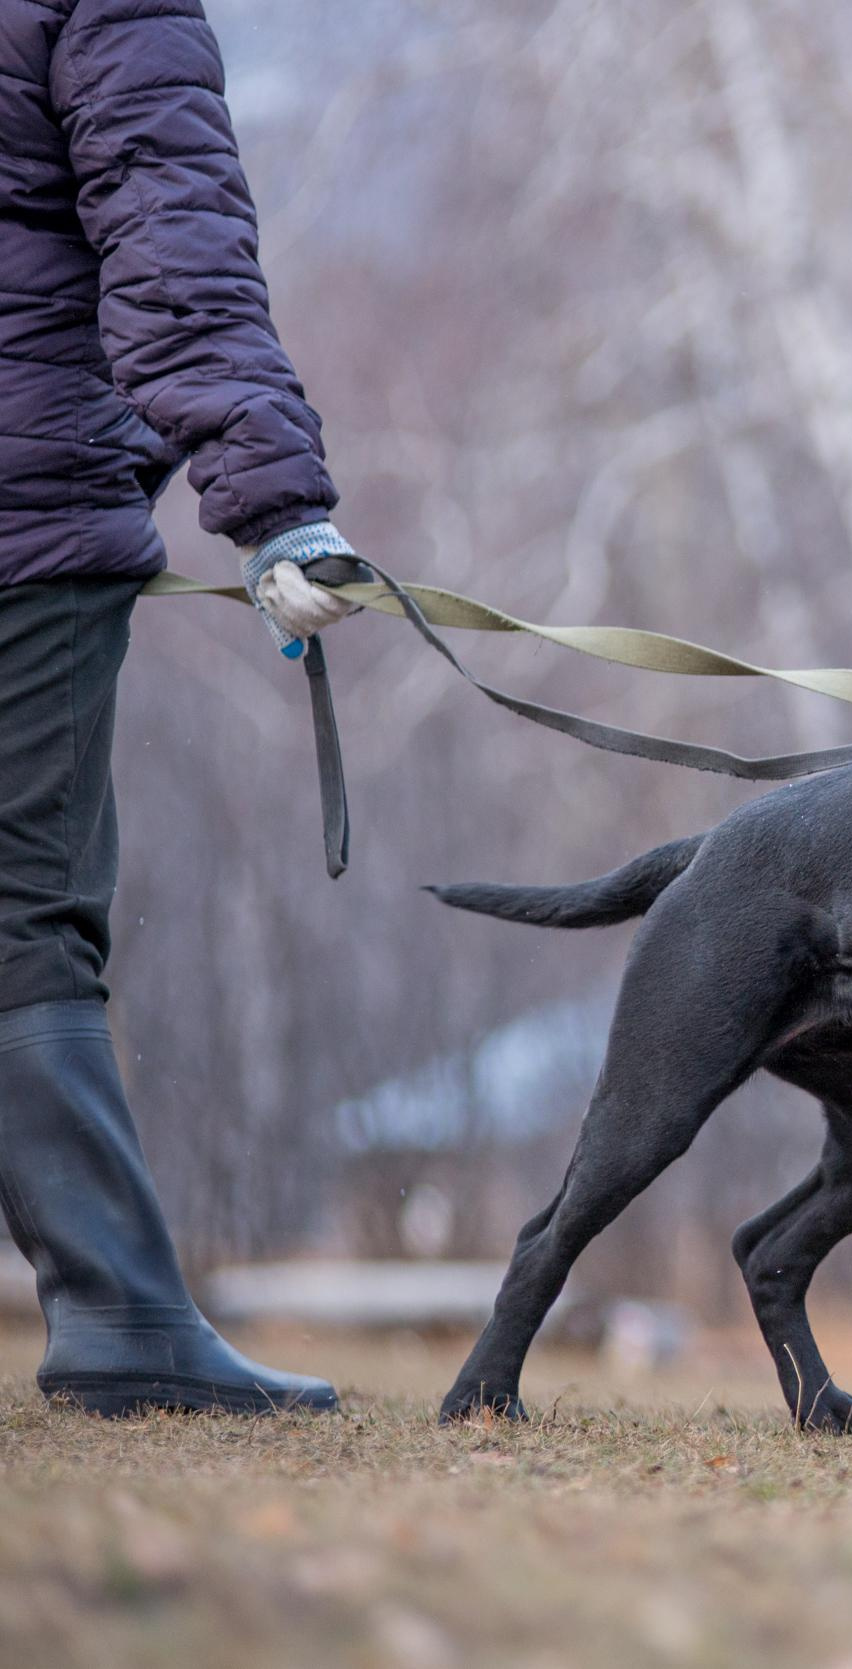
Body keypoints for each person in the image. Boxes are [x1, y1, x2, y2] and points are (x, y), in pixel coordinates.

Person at [0, 2, 361, 1415]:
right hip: (24, 523)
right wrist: (278, 510)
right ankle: (122, 1319)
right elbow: (172, 241)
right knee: (22, 917)